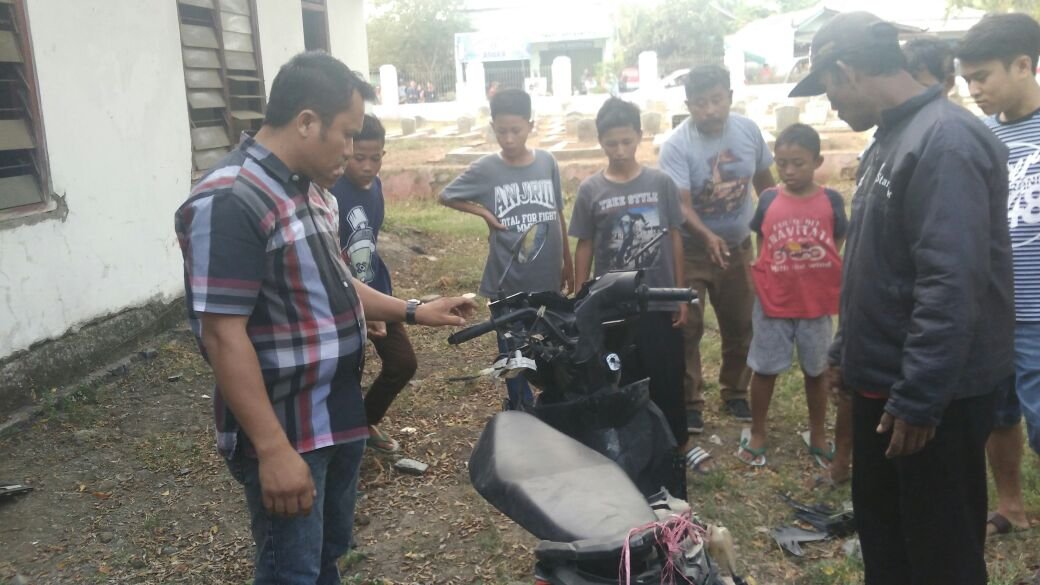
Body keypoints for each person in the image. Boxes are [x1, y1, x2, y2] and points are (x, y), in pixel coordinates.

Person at [174, 52, 476, 585]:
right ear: (307, 122)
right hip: (288, 430)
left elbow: (334, 280)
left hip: (335, 414)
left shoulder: (311, 189)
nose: (353, 149)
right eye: (347, 134)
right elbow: (222, 337)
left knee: (324, 558)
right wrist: (272, 450)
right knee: (289, 571)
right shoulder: (231, 200)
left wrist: (413, 310)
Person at [791, 12, 1014, 585]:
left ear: (846, 71)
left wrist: (919, 398)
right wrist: (846, 349)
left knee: (939, 553)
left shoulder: (946, 141)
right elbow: (873, 260)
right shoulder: (891, 138)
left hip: (930, 399)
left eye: (828, 91)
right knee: (888, 542)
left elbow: (951, 282)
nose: (830, 106)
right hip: (885, 384)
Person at [569, 97, 714, 474]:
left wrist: (679, 295)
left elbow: (674, 236)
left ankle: (680, 444)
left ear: (639, 136)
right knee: (620, 376)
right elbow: (585, 244)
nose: (619, 150)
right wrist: (580, 298)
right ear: (600, 141)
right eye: (611, 143)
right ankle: (631, 448)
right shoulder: (591, 190)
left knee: (667, 375)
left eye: (626, 141)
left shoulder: (660, 183)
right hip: (613, 306)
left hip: (658, 300)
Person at [658, 64, 776, 434]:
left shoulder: (748, 132)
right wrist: (708, 236)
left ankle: (735, 392)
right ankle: (690, 401)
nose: (709, 110)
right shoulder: (677, 145)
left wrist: (774, 226)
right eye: (700, 103)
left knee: (740, 323)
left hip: (738, 248)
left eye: (716, 100)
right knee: (687, 327)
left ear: (730, 97)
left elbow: (766, 185)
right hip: (692, 251)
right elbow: (682, 206)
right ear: (688, 105)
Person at [439, 88, 574, 410]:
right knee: (514, 357)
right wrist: (484, 213)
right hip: (507, 284)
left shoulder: (547, 162)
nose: (509, 139)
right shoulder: (487, 168)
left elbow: (557, 213)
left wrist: (567, 263)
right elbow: (446, 195)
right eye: (502, 131)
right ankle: (519, 410)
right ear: (493, 128)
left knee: (552, 348)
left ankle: (552, 407)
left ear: (530, 125)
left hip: (546, 280)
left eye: (516, 130)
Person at [958, 11, 1040, 539]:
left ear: (1023, 65)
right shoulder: (979, 136)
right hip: (991, 311)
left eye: (983, 76)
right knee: (997, 413)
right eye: (967, 80)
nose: (974, 90)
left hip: (1037, 312)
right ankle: (1011, 506)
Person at [737, 124, 847, 468]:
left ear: (817, 162)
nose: (789, 171)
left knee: (816, 370)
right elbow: (760, 234)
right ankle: (758, 432)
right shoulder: (770, 198)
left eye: (798, 163)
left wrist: (823, 267)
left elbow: (838, 235)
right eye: (782, 163)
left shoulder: (831, 200)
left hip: (815, 303)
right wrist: (762, 265)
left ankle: (817, 433)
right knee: (764, 369)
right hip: (774, 301)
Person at [329, 113, 414, 455]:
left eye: (375, 158)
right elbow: (330, 260)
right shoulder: (330, 193)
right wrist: (363, 308)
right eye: (358, 157)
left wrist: (378, 303)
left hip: (376, 291)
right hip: (340, 299)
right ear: (346, 151)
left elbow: (369, 241)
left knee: (403, 363)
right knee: (347, 372)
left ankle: (364, 424)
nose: (367, 166)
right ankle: (342, 444)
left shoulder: (376, 187)